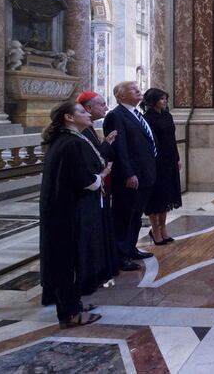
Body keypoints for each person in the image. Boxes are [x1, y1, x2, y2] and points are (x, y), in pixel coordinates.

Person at [40, 101, 112, 328]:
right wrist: (101, 176)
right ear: (69, 118)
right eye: (82, 111)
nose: (87, 113)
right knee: (67, 262)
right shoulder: (70, 143)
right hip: (67, 213)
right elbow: (83, 179)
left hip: (68, 210)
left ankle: (74, 304)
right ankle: (69, 314)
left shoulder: (71, 140)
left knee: (73, 259)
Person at [103, 81, 157, 271]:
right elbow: (120, 148)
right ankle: (121, 255)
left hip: (144, 173)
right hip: (130, 176)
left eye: (137, 88)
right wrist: (128, 173)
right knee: (124, 215)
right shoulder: (115, 116)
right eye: (133, 89)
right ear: (121, 95)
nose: (138, 91)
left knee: (135, 215)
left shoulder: (135, 113)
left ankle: (131, 248)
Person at [77, 91, 119, 286]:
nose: (106, 108)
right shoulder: (81, 134)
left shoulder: (88, 129)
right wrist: (107, 145)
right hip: (89, 191)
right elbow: (93, 160)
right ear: (88, 108)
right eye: (102, 104)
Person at [140, 88, 182, 245]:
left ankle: (163, 228)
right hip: (156, 160)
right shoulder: (147, 118)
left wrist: (177, 158)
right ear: (153, 101)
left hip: (170, 159)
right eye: (162, 99)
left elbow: (172, 138)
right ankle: (155, 229)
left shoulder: (167, 115)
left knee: (166, 195)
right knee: (156, 196)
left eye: (166, 98)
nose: (165, 101)